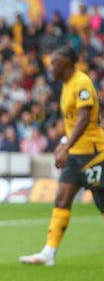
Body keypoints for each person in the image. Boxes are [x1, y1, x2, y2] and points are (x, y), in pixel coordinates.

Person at [19, 45, 104, 266]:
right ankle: (49, 252)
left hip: (93, 153)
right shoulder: (66, 85)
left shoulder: (82, 82)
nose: (51, 67)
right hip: (76, 154)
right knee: (62, 198)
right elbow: (72, 122)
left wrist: (66, 147)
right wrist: (65, 143)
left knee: (102, 202)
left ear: (67, 62)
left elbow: (85, 119)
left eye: (54, 63)